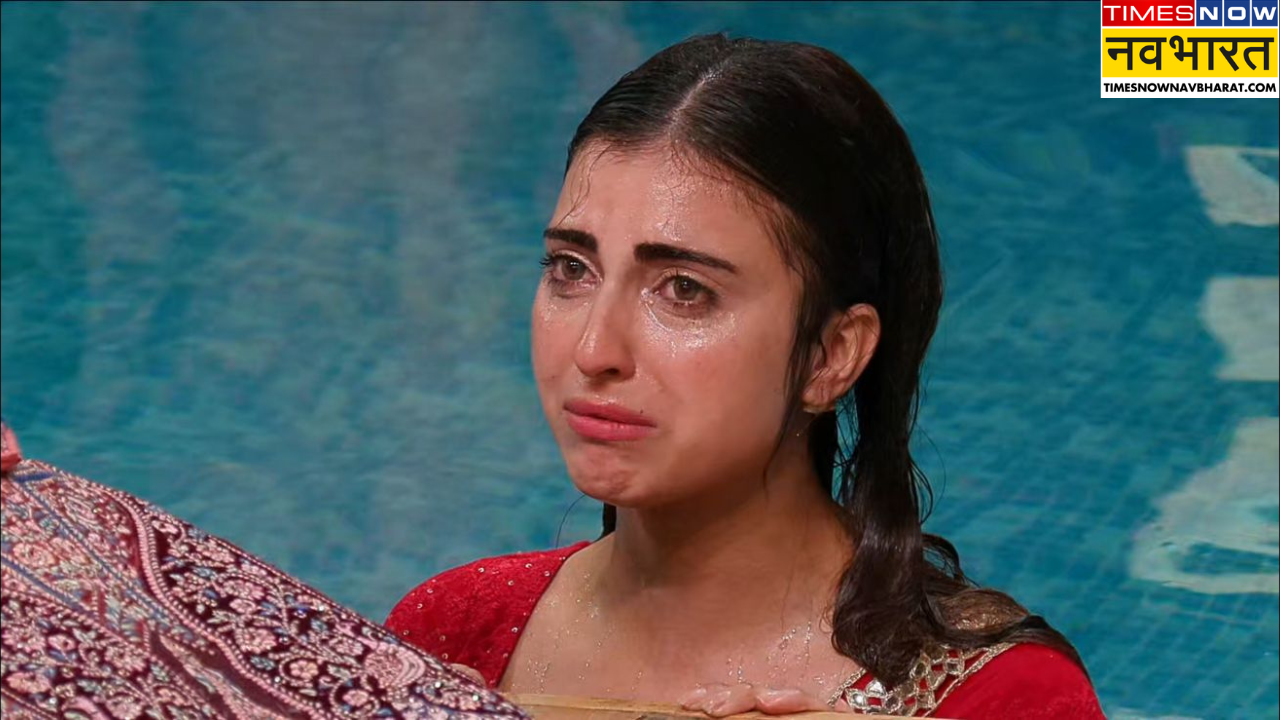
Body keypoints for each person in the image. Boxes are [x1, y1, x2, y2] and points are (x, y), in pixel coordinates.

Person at [386, 33, 1104, 718]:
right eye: (572, 269)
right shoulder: (452, 631)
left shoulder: (1000, 700)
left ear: (830, 355)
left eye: (685, 290)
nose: (595, 349)